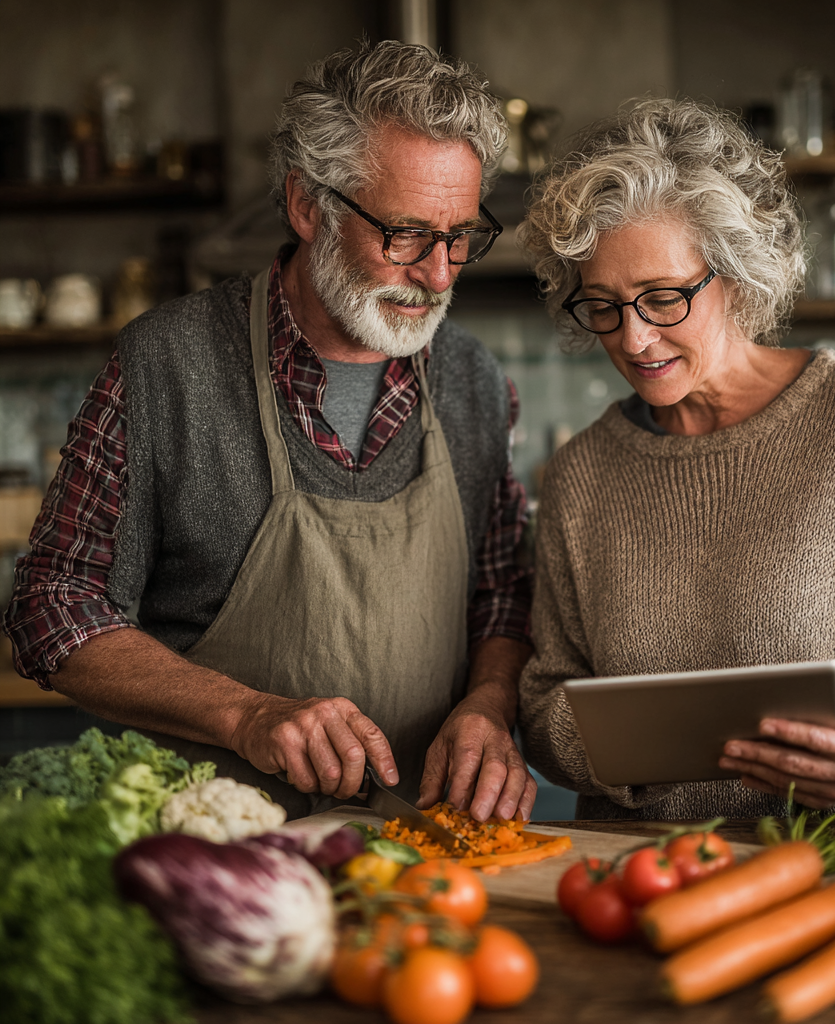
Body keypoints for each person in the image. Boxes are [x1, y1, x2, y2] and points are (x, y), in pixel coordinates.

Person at [3, 42, 537, 822]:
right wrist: (245, 715)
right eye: (406, 235)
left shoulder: (475, 380)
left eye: (461, 236)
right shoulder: (167, 363)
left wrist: (490, 704)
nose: (440, 274)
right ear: (307, 205)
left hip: (425, 856)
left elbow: (501, 596)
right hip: (213, 859)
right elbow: (53, 603)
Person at [515, 98, 835, 820]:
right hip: (640, 876)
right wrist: (619, 750)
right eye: (604, 306)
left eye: (662, 299)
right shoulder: (585, 473)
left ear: (737, 277)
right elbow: (545, 695)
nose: (635, 339)